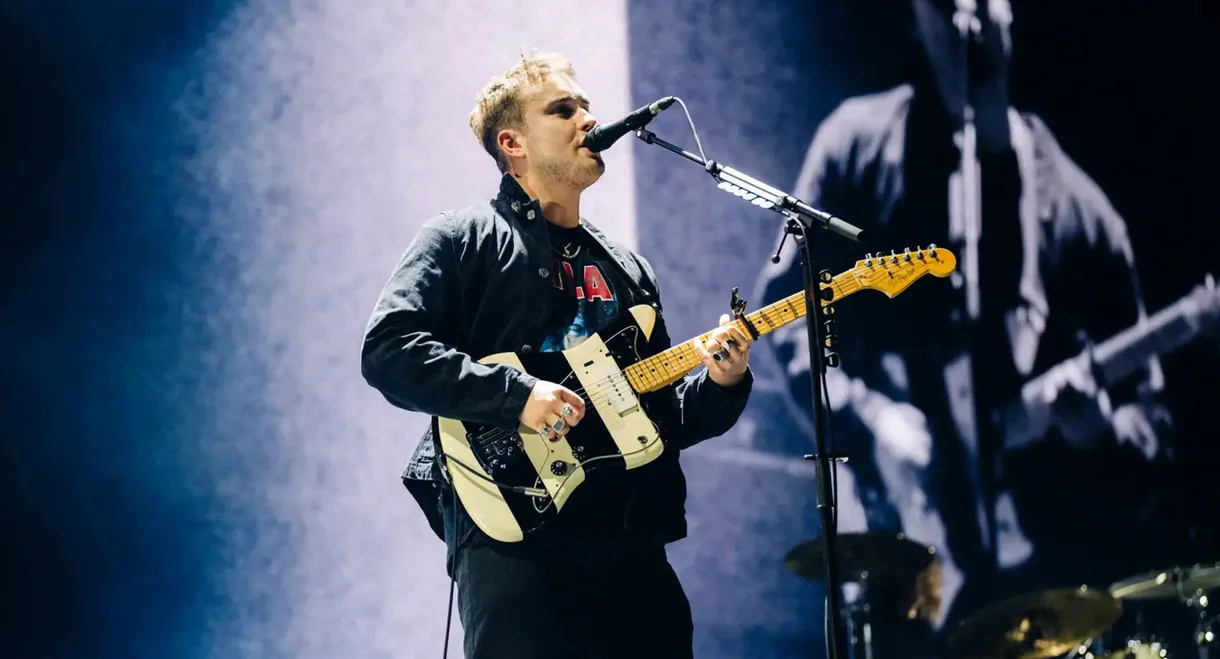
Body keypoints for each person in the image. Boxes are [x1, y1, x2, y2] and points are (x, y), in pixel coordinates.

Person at [749, 0, 1172, 641]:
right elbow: (783, 321)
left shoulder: (1078, 210)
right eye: (944, 5)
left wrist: (1104, 431)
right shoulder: (856, 146)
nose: (966, 15)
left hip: (1045, 574)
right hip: (895, 559)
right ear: (914, 17)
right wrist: (872, 417)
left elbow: (1153, 418)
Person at [361, 51, 754, 659]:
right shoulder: (460, 237)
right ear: (512, 141)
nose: (588, 120)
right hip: (513, 533)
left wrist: (723, 382)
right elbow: (388, 351)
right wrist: (518, 396)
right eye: (563, 109)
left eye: (587, 107)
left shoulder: (627, 269)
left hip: (627, 536)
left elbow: (660, 417)